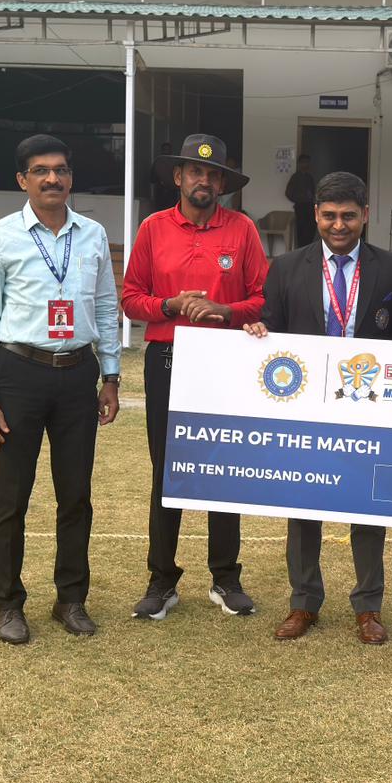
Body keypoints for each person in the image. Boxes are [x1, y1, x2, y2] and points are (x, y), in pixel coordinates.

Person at [0, 134, 122, 645]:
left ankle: (70, 599)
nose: (53, 179)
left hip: (78, 374)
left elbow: (105, 307)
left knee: (76, 495)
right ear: (22, 180)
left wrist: (111, 376)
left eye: (61, 170)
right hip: (18, 373)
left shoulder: (93, 234)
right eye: (41, 171)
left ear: (71, 177)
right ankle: (9, 604)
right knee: (12, 497)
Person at [243, 172, 392, 645]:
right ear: (315, 214)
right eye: (330, 215)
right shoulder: (286, 267)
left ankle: (368, 606)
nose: (339, 225)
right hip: (306, 408)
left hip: (367, 403)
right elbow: (272, 326)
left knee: (369, 505)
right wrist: (258, 332)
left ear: (365, 215)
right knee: (303, 505)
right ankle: (304, 602)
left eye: (349, 216)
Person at [122, 133, 268, 620]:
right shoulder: (153, 228)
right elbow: (131, 298)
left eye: (212, 174)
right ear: (178, 177)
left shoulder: (242, 230)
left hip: (226, 359)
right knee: (167, 469)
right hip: (168, 358)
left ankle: (226, 577)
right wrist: (169, 305)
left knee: (224, 467)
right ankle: (161, 580)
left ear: (222, 183)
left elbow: (263, 298)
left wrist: (225, 311)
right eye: (194, 171)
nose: (203, 180)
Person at [285, 153, 317, 248]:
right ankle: (301, 249)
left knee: (311, 228)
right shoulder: (295, 177)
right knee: (301, 229)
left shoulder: (310, 177)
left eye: (307, 162)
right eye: (303, 162)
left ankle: (309, 247)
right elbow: (288, 193)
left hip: (310, 206)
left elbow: (313, 191)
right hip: (300, 206)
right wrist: (299, 199)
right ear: (299, 164)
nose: (306, 164)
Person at [148, 142, 178, 212]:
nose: (166, 152)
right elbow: (152, 179)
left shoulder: (175, 163)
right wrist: (160, 180)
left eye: (168, 150)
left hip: (172, 193)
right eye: (165, 150)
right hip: (160, 193)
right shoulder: (157, 162)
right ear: (162, 151)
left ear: (171, 151)